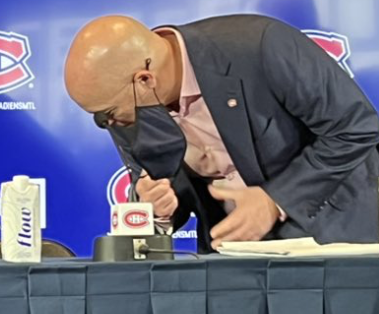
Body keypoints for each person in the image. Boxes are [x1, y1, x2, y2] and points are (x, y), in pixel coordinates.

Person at [64, 14, 379, 252]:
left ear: (145, 80)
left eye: (107, 114)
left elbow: (356, 127)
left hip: (331, 240)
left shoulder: (261, 46)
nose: (108, 124)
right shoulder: (125, 105)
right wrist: (157, 209)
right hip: (230, 257)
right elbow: (161, 189)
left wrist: (275, 200)